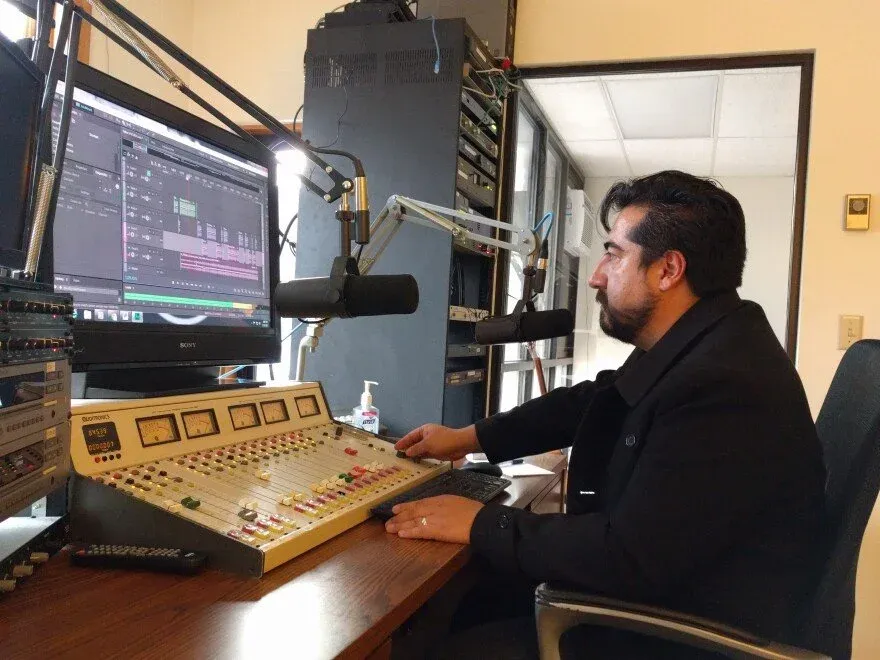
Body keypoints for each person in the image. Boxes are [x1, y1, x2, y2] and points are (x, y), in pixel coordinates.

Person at [385, 170, 826, 658]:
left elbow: (629, 556)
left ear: (668, 270)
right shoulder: (704, 341)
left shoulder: (723, 385)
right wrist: (467, 437)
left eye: (614, 254)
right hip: (670, 595)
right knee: (476, 598)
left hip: (681, 633)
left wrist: (480, 522)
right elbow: (593, 399)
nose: (596, 275)